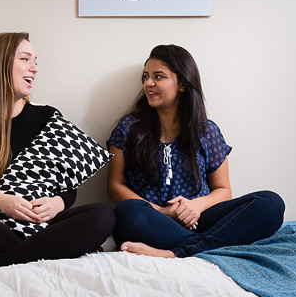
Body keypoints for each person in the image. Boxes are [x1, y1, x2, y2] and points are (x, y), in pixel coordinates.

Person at [0, 32, 115, 270]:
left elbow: (67, 185)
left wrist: (58, 203)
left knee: (103, 215)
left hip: (40, 222)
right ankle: (50, 248)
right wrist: (0, 201)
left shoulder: (48, 117)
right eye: (25, 59)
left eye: (36, 61)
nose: (35, 68)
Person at [107, 44, 285, 258]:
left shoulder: (206, 130)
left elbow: (223, 189)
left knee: (271, 204)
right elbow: (115, 185)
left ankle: (175, 252)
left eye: (159, 76)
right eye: (146, 77)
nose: (148, 83)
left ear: (182, 84)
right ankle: (204, 247)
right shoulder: (129, 127)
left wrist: (195, 206)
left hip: (200, 219)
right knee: (127, 212)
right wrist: (162, 211)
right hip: (152, 220)